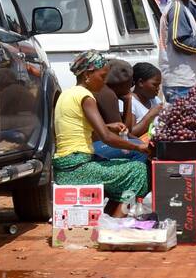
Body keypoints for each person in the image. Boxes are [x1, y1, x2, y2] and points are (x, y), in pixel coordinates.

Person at [53, 51, 149, 215]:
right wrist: (139, 148)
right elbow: (106, 138)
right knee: (138, 171)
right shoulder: (86, 96)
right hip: (77, 168)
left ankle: (107, 219)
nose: (104, 81)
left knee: (122, 170)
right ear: (88, 74)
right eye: (102, 76)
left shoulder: (67, 94)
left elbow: (77, 126)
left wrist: (108, 126)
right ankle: (115, 225)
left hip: (65, 165)